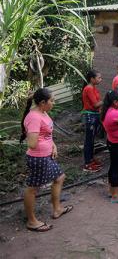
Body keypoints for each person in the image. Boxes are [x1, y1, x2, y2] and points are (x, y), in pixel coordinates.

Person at [21, 88, 73, 232]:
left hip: (46, 156)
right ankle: (31, 221)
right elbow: (32, 143)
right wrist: (45, 144)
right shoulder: (34, 117)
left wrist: (53, 146)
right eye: (52, 100)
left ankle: (57, 209)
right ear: (43, 102)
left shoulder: (43, 112)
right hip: (38, 158)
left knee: (60, 177)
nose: (54, 103)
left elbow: (46, 134)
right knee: (32, 189)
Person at [81, 70, 103, 172]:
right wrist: (107, 99)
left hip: (95, 115)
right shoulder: (89, 89)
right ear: (92, 79)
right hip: (91, 116)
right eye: (98, 78)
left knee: (92, 139)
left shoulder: (93, 88)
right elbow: (95, 104)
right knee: (89, 140)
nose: (100, 79)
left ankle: (90, 159)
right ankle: (87, 163)